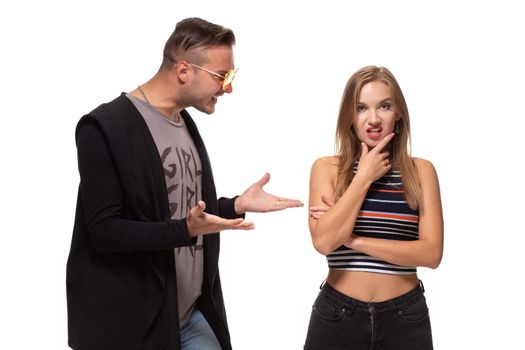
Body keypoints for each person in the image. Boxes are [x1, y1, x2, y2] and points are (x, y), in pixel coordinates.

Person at [66, 17, 303, 350]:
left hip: (188, 314)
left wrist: (235, 204)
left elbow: (177, 211)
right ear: (183, 70)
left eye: (232, 76)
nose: (229, 87)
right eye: (223, 76)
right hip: (130, 327)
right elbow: (104, 231)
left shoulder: (184, 123)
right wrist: (185, 231)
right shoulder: (103, 127)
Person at [303, 66, 443, 349]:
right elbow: (325, 242)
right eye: (362, 108)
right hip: (337, 315)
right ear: (349, 117)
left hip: (406, 318)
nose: (374, 119)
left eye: (385, 106)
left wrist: (355, 240)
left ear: (399, 113)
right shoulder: (327, 168)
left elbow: (431, 254)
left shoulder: (421, 171)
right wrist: (364, 177)